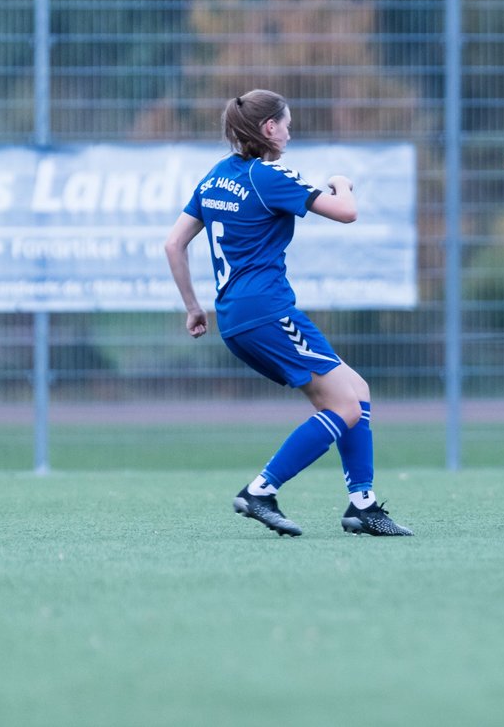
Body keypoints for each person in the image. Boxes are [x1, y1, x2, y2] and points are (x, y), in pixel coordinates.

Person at [164, 89, 412, 538]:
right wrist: (342, 183)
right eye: (288, 124)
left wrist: (192, 307)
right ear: (269, 129)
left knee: (355, 390)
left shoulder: (216, 176)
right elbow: (346, 212)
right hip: (268, 312)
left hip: (236, 319)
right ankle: (260, 490)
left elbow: (173, 243)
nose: (291, 132)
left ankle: (363, 504)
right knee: (345, 405)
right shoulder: (270, 175)